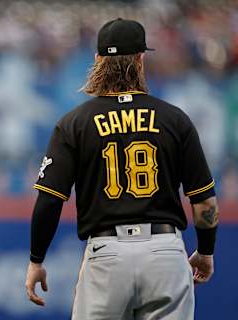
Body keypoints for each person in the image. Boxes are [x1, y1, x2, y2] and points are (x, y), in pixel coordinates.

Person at [25, 18, 218, 320]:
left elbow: (49, 200)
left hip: (107, 254)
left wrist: (36, 260)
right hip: (165, 252)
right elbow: (205, 201)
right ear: (141, 60)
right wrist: (205, 252)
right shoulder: (174, 119)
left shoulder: (75, 122)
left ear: (98, 60)